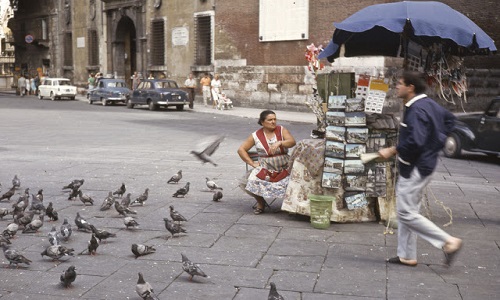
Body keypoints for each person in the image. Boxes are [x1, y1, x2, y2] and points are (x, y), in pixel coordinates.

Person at [378, 71, 462, 267]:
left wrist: (392, 149)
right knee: (409, 210)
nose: (396, 87)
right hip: (425, 164)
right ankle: (407, 255)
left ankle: (448, 242)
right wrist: (435, 145)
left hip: (414, 167)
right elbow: (450, 121)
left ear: (411, 87)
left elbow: (415, 141)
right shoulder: (429, 104)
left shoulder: (416, 110)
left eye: (399, 84)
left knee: (406, 213)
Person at [237, 110, 296, 214]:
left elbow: (292, 142)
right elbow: (241, 150)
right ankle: (261, 203)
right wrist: (252, 163)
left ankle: (290, 205)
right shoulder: (255, 135)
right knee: (248, 181)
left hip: (285, 164)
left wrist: (280, 143)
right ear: (262, 122)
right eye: (270, 120)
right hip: (266, 166)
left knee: (297, 180)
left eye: (274, 119)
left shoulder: (281, 130)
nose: (273, 122)